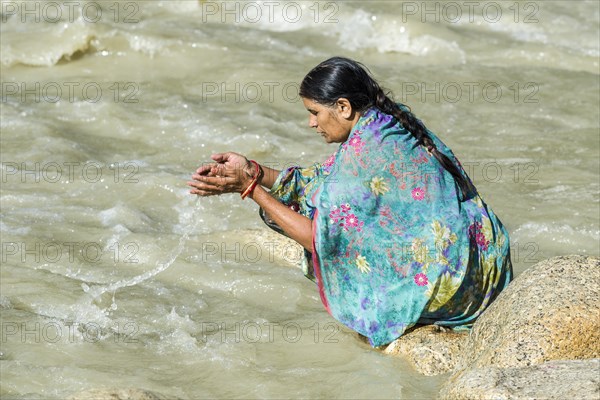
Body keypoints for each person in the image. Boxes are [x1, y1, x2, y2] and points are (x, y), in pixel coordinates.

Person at [188, 57, 513, 347]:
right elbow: (322, 179)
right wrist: (254, 171)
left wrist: (250, 189)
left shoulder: (362, 153)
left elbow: (321, 240)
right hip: (487, 257)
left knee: (323, 222)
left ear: (343, 107)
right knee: (320, 203)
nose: (311, 123)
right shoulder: (386, 121)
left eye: (314, 113)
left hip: (458, 285)